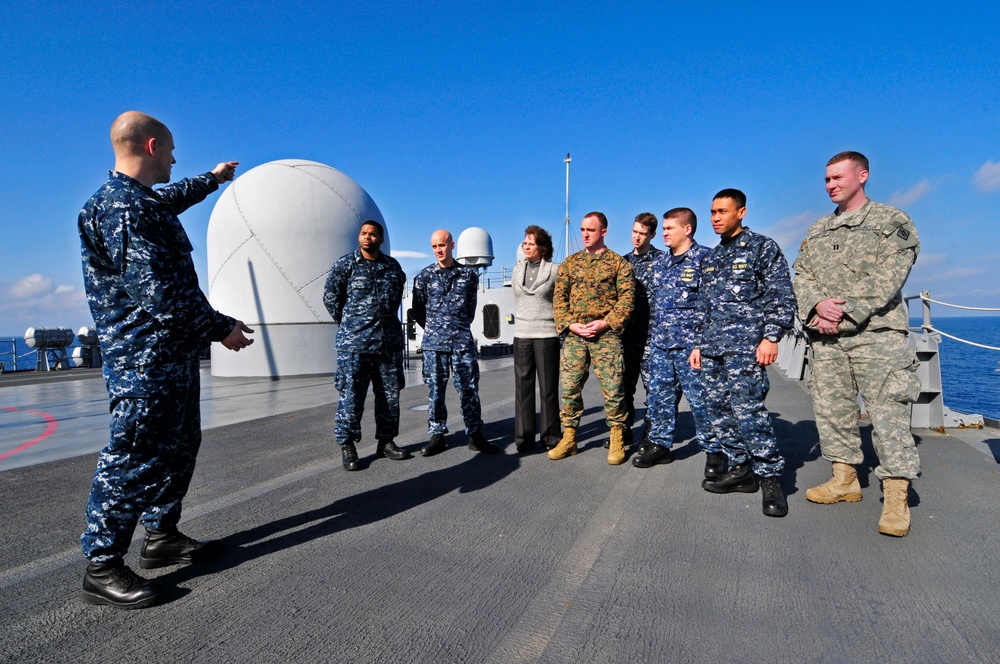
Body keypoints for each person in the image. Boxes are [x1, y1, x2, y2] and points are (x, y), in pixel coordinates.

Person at [78, 111, 254, 609]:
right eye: (173, 149)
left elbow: (169, 200)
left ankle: (161, 536)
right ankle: (102, 565)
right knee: (134, 455)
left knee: (178, 448)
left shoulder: (140, 203)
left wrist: (213, 180)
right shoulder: (122, 209)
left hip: (168, 358)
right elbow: (161, 294)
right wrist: (222, 329)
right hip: (143, 362)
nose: (177, 158)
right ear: (153, 146)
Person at [793, 151, 921, 537]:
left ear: (862, 175)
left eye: (838, 177)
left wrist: (840, 312)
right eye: (826, 180)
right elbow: (801, 274)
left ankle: (896, 497)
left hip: (876, 336)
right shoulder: (817, 230)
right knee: (833, 410)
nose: (831, 184)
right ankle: (845, 479)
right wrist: (817, 304)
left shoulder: (890, 221)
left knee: (887, 415)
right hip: (827, 339)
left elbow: (889, 276)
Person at [689, 189, 795, 517]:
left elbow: (781, 295)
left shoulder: (762, 248)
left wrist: (771, 337)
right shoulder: (710, 258)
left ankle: (771, 479)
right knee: (717, 410)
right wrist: (697, 344)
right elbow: (702, 307)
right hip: (713, 350)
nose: (716, 218)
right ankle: (740, 469)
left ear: (741, 212)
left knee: (749, 411)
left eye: (722, 211)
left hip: (746, 349)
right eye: (712, 212)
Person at [633, 208, 724, 477]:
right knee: (660, 399)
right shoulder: (659, 264)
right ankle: (660, 445)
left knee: (701, 401)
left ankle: (714, 451)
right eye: (662, 229)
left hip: (691, 346)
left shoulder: (705, 259)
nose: (664, 233)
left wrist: (702, 343)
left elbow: (713, 306)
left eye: (669, 228)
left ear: (687, 229)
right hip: (661, 344)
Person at [324, 220, 410, 471]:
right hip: (355, 345)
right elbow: (331, 298)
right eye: (364, 234)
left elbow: (395, 300)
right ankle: (348, 444)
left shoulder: (393, 267)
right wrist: (351, 324)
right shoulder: (346, 265)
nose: (367, 238)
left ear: (381, 239)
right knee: (351, 397)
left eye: (373, 234)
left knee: (390, 396)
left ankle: (386, 441)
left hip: (387, 345)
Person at [549, 211, 634, 464]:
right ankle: (570, 437)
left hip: (605, 335)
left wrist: (606, 323)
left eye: (591, 230)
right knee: (569, 387)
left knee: (613, 388)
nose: (585, 234)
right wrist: (570, 325)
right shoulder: (569, 264)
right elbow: (559, 299)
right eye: (583, 229)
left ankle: (617, 436)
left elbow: (627, 300)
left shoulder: (619, 264)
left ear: (603, 232)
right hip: (576, 336)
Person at [411, 229, 498, 456]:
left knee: (469, 389)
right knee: (436, 391)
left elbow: (470, 309)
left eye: (442, 245)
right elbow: (418, 310)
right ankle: (437, 435)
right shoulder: (424, 277)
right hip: (434, 344)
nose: (438, 250)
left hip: (461, 342)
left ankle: (475, 434)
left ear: (452, 245)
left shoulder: (469, 275)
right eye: (434, 246)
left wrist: (455, 327)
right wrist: (435, 329)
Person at [512, 226, 561, 453]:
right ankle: (524, 438)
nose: (526, 246)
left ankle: (551, 436)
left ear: (542, 248)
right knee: (523, 388)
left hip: (546, 335)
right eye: (525, 242)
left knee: (548, 389)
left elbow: (561, 301)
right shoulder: (516, 270)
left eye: (530, 243)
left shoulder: (554, 271)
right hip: (522, 334)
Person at [621, 212, 664, 449]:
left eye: (642, 233)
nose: (637, 237)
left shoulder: (662, 261)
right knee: (624, 386)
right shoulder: (623, 262)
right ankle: (624, 430)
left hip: (651, 337)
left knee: (653, 389)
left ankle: (650, 432)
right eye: (634, 231)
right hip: (627, 337)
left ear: (652, 235)